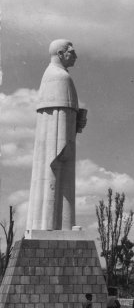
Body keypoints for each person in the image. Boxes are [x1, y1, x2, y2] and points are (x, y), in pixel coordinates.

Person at [27, 39, 87, 231]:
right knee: (56, 171)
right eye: (72, 51)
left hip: (63, 134)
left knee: (62, 177)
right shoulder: (60, 77)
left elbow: (65, 113)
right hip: (58, 141)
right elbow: (59, 118)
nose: (75, 55)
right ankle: (52, 226)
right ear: (61, 53)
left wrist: (77, 120)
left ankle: (62, 225)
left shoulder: (57, 75)